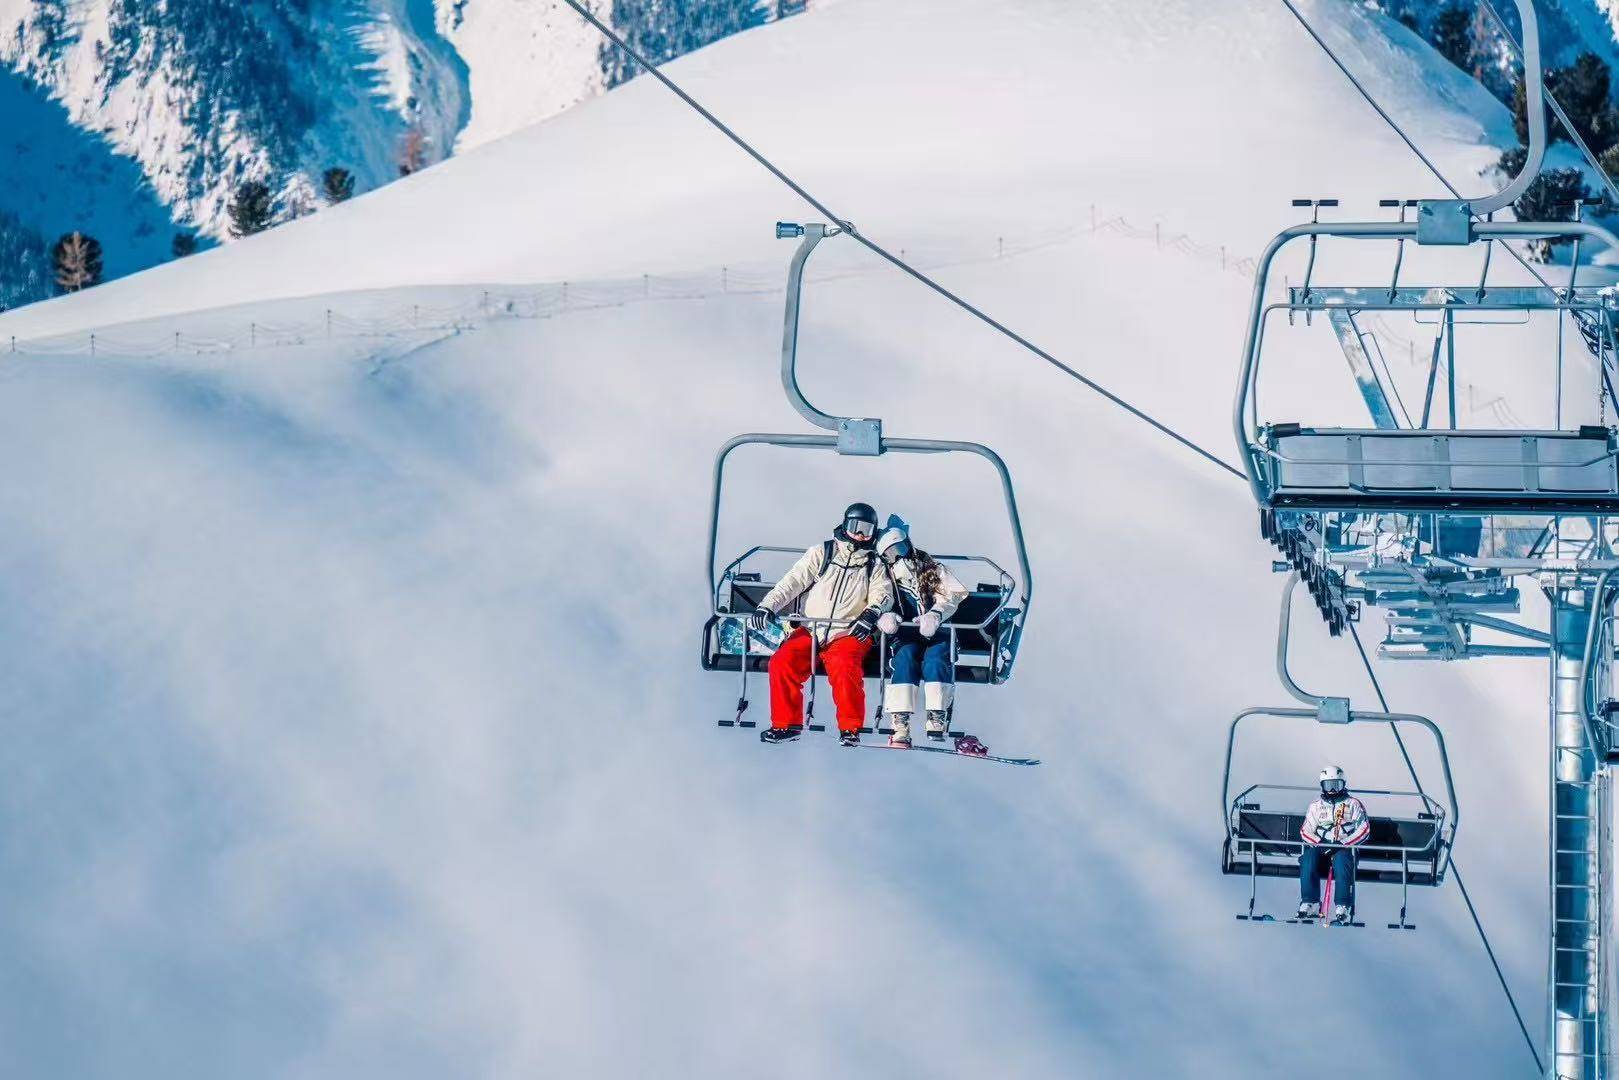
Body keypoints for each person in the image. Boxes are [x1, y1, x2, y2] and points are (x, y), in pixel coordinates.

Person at [750, 502, 894, 747]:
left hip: (848, 631)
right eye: (855, 526)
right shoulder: (823, 553)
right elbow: (793, 581)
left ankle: (850, 728)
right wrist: (768, 605)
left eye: (867, 529)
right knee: (782, 662)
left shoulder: (874, 564)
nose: (860, 534)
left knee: (844, 666)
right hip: (812, 628)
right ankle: (786, 724)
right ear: (845, 525)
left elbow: (884, 594)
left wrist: (870, 615)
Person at [873, 519, 970, 747]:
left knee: (936, 660)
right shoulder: (884, 577)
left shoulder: (932, 568)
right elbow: (877, 598)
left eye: (901, 550)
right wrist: (885, 616)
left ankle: (936, 716)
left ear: (910, 545)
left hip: (937, 633)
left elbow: (952, 595)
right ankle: (900, 721)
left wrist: (936, 614)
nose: (899, 558)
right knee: (905, 659)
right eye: (891, 554)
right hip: (905, 635)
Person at [1297, 765, 1370, 924]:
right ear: (1322, 786)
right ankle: (1311, 902)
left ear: (1343, 784)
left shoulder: (1353, 804)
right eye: (1328, 785)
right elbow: (1305, 830)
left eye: (1336, 785)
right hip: (1321, 847)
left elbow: (1364, 829)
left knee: (1342, 862)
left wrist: (1343, 843)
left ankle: (1343, 905)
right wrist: (1319, 843)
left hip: (1344, 848)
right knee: (1307, 858)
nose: (1331, 790)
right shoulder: (1316, 806)